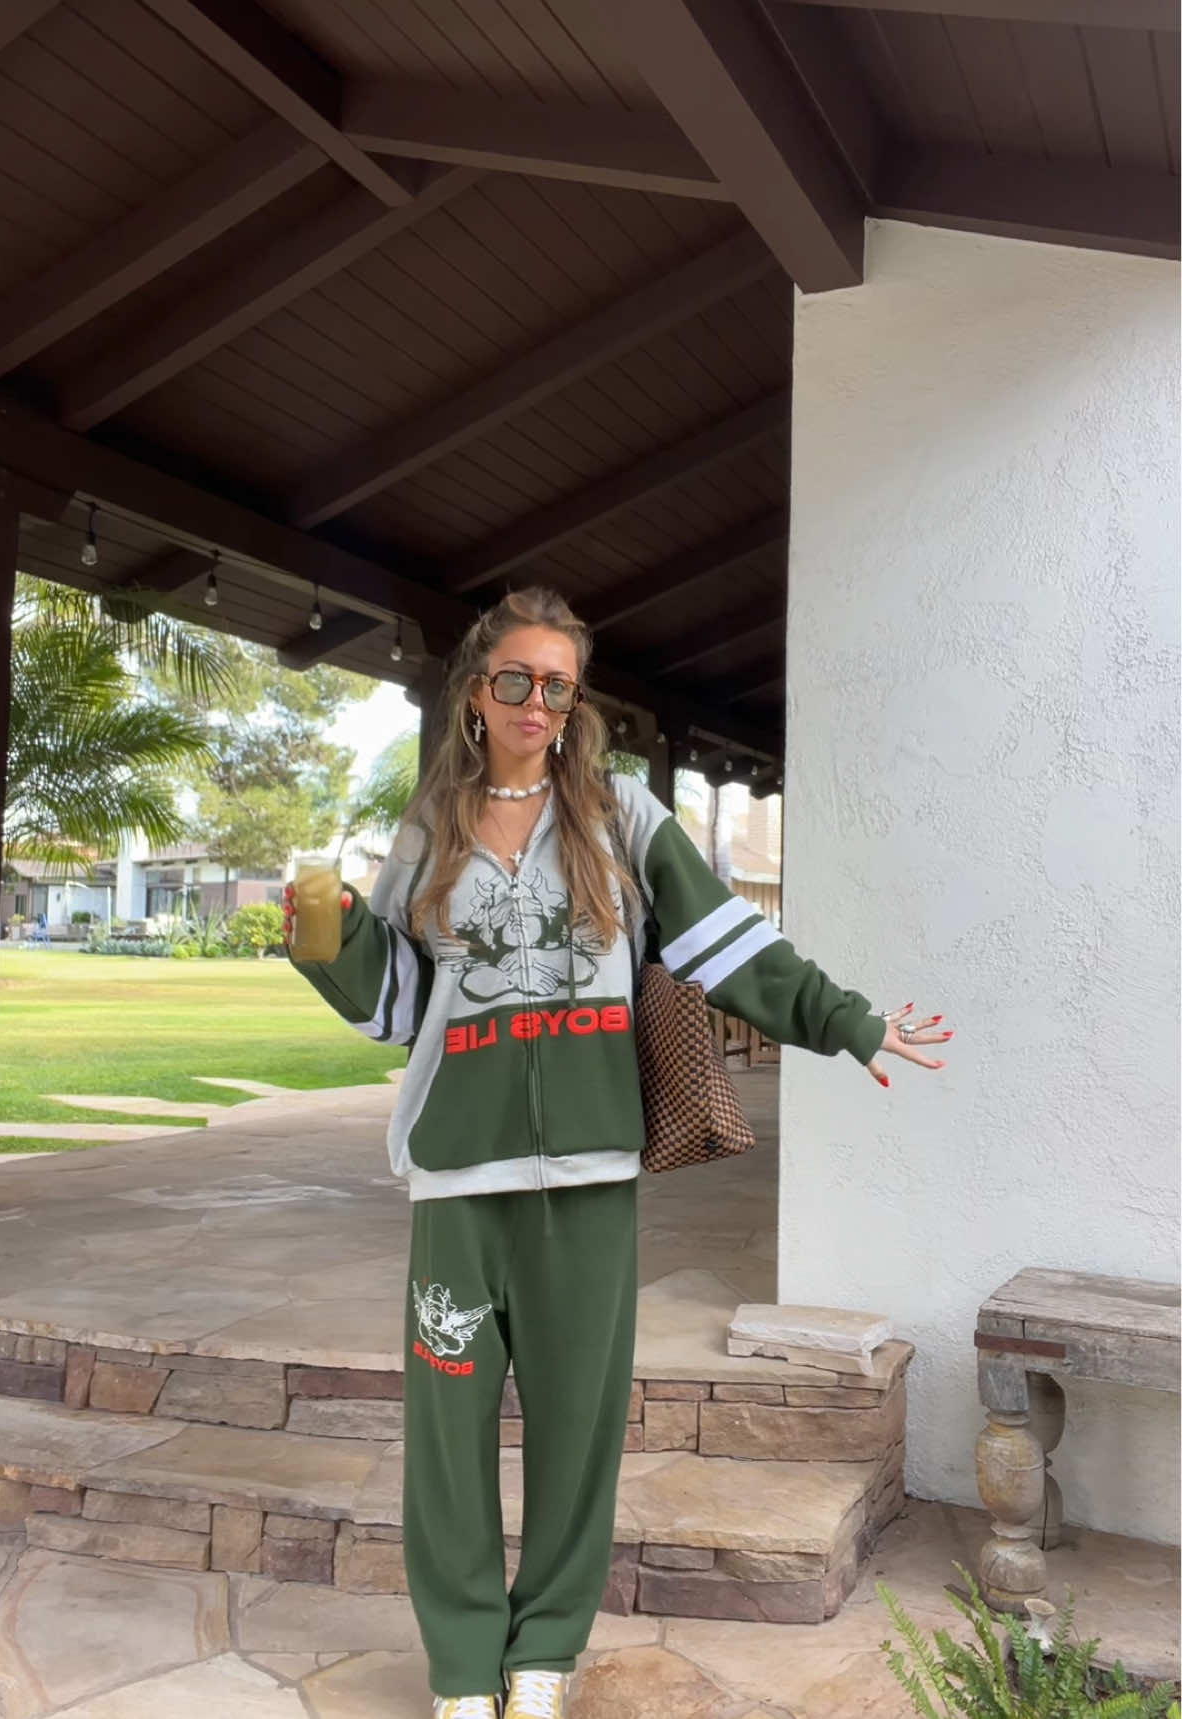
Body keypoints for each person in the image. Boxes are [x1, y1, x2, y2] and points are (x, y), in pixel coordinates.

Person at [284, 587, 952, 1719]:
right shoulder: (430, 827)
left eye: (558, 685)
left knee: (578, 1432)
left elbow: (729, 945)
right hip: (458, 1177)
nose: (537, 702)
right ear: (478, 692)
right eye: (516, 680)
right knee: (447, 1434)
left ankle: (543, 1655)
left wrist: (847, 1022)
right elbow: (399, 1006)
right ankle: (463, 1669)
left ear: (573, 700)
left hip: (590, 1177)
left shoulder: (621, 816)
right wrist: (333, 936)